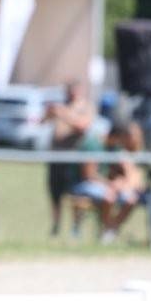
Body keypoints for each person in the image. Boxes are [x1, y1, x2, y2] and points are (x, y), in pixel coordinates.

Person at [69, 121, 147, 244]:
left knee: (131, 198)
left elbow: (129, 170)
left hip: (106, 185)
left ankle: (111, 230)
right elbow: (89, 175)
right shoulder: (93, 144)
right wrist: (110, 184)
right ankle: (106, 229)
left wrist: (123, 182)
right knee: (108, 196)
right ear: (117, 137)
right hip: (82, 185)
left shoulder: (115, 147)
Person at [43, 81, 95, 236]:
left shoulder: (85, 107)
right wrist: (49, 112)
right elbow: (42, 121)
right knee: (55, 194)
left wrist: (63, 113)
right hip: (56, 157)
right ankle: (55, 227)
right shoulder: (61, 106)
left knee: (77, 195)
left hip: (73, 159)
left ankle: (76, 229)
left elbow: (83, 126)